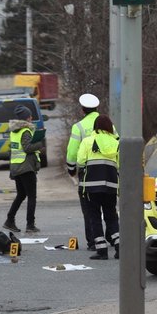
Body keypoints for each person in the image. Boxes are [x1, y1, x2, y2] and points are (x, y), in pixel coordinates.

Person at [76, 115, 120, 260]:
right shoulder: (116, 143)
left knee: (94, 217)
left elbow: (81, 161)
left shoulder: (87, 141)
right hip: (111, 186)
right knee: (111, 216)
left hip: (91, 187)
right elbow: (120, 165)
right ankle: (119, 247)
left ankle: (101, 250)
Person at [67, 93, 102, 250]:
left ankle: (93, 241)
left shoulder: (78, 127)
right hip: (107, 170)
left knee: (88, 208)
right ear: (96, 108)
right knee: (108, 207)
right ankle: (112, 237)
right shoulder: (108, 124)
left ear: (82, 110)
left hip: (87, 172)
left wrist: (71, 169)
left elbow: (72, 152)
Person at [3, 104, 44, 234]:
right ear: (27, 118)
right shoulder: (25, 131)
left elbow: (12, 150)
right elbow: (27, 148)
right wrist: (39, 144)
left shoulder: (14, 131)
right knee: (32, 196)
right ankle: (30, 225)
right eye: (30, 116)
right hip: (26, 168)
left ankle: (9, 220)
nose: (32, 118)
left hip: (17, 166)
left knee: (21, 195)